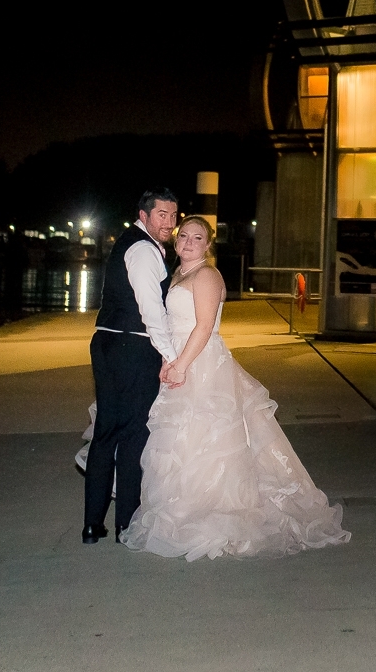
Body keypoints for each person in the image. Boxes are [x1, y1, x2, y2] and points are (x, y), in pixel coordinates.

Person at [120, 215, 351, 560]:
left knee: (212, 441)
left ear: (208, 245)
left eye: (196, 238)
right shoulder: (180, 273)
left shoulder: (207, 275)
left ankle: (221, 514)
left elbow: (204, 327)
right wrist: (169, 359)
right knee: (183, 440)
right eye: (183, 236)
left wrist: (181, 364)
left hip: (202, 364)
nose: (187, 242)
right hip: (181, 359)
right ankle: (185, 507)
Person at [82, 189, 179, 544]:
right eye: (162, 215)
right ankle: (126, 524)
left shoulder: (132, 242)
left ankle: (93, 526)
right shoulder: (142, 249)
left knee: (106, 433)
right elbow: (151, 310)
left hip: (107, 342)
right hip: (133, 346)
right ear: (144, 214)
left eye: (173, 215)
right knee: (134, 434)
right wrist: (169, 355)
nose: (168, 222)